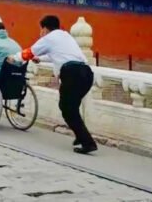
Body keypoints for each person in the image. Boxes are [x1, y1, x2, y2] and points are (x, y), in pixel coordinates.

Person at [20, 15, 97, 154]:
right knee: (71, 108)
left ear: (45, 28)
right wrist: (40, 59)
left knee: (67, 108)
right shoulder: (65, 36)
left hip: (72, 74)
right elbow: (57, 55)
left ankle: (88, 142)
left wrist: (14, 58)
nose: (40, 33)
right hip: (86, 74)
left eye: (41, 30)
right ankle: (81, 136)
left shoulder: (49, 38)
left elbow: (29, 52)